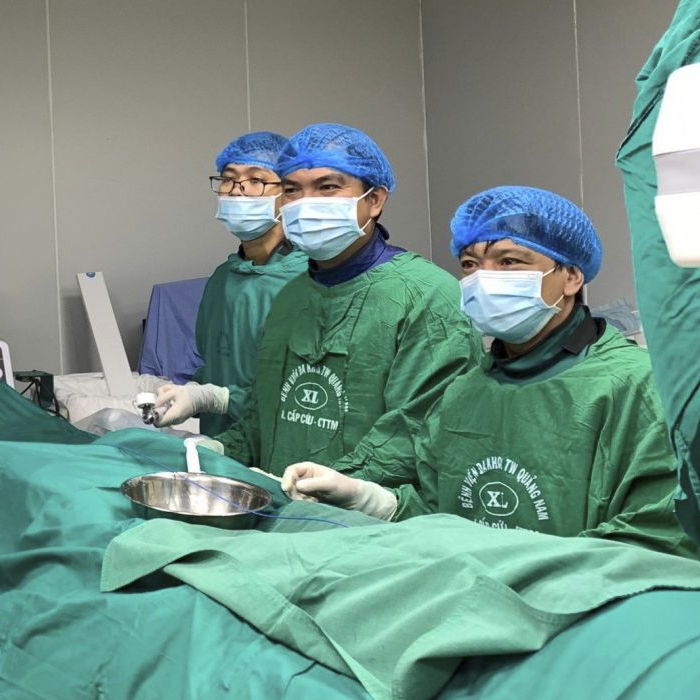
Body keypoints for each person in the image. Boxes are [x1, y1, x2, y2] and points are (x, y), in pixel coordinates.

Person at [282, 186, 698, 558]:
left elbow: (657, 538)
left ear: (571, 276)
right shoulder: (464, 393)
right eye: (469, 265)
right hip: (474, 600)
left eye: (510, 261)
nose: (484, 279)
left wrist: (529, 581)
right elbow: (439, 512)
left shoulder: (637, 387)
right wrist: (368, 498)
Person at [172, 122, 480, 477]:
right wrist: (224, 450)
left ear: (375, 200)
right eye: (292, 190)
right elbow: (266, 416)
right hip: (285, 501)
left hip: (369, 507)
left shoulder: (427, 296)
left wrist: (344, 489)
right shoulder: (293, 297)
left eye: (328, 187)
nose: (306, 203)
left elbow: (420, 434)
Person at [155, 131, 308, 436]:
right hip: (221, 443)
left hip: (284, 447)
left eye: (256, 180)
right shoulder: (222, 279)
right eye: (228, 179)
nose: (238, 191)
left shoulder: (307, 282)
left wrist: (219, 399)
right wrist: (192, 392)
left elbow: (304, 389)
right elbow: (218, 364)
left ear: (288, 193)